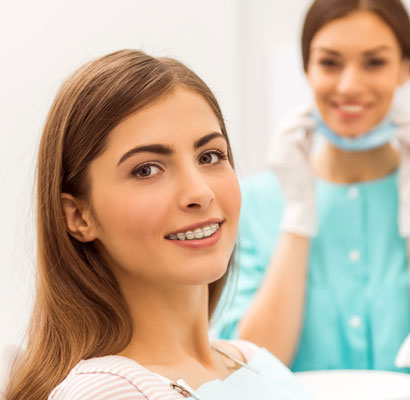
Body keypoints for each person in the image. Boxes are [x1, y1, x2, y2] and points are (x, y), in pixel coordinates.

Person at [214, 0, 410, 383]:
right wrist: (297, 217)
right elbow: (245, 374)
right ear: (307, 69)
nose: (349, 86)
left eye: (374, 63)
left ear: (406, 68)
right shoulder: (251, 205)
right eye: (330, 63)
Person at [4, 50, 314, 400]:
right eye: (146, 169)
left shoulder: (254, 361)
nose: (200, 192)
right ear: (78, 216)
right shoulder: (107, 391)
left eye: (209, 156)